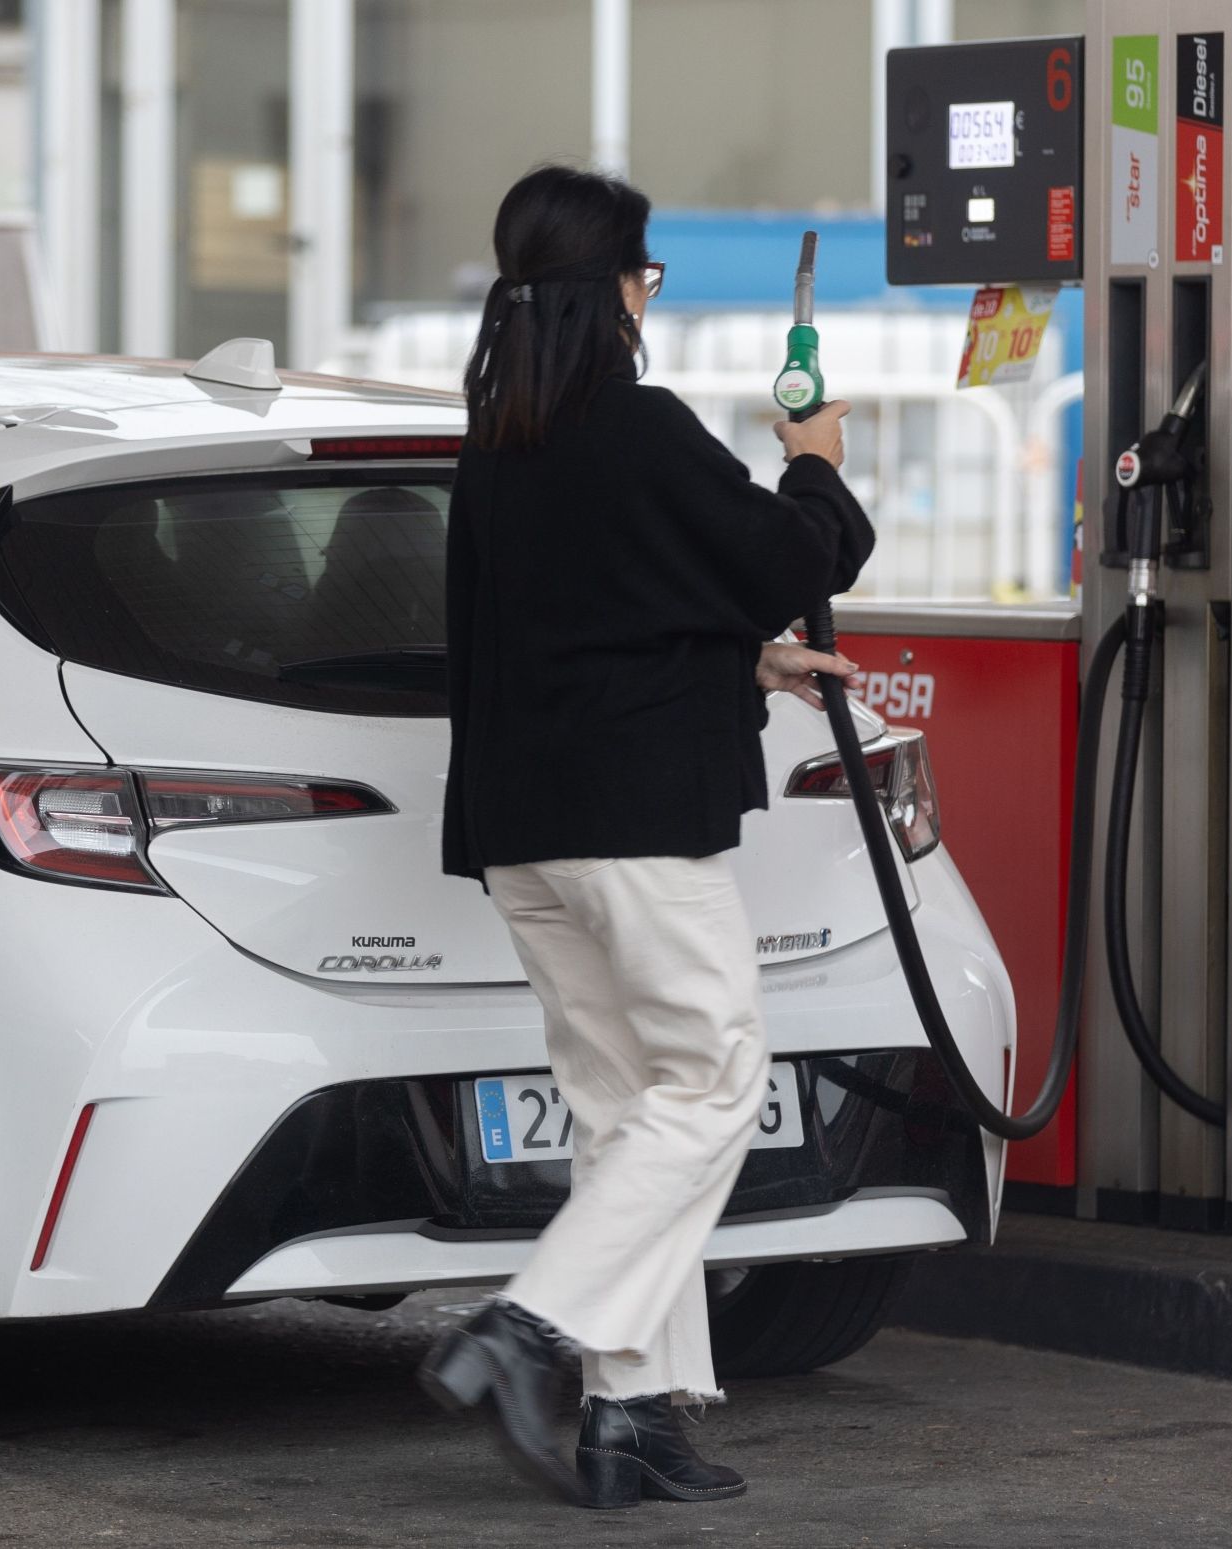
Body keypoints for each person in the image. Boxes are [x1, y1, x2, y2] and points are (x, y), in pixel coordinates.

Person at [419, 164, 874, 1509]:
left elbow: (577, 632)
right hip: (632, 831)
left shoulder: (495, 444)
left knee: (626, 1112)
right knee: (720, 1077)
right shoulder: (638, 427)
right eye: (646, 275)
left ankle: (634, 1416)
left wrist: (743, 669)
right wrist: (815, 465)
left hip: (524, 833)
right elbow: (787, 555)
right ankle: (527, 1326)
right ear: (616, 287)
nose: (645, 298)